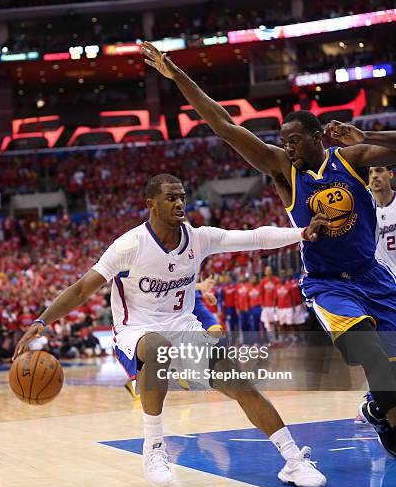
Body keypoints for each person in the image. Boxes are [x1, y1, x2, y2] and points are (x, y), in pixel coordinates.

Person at [142, 41, 396, 456]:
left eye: (295, 141)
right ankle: (386, 410)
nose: (289, 148)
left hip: (373, 275)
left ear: (317, 138)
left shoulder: (351, 158)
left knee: (389, 368)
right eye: (284, 141)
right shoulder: (282, 170)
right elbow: (225, 125)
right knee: (367, 353)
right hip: (329, 283)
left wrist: (366, 134)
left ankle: (375, 405)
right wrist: (177, 76)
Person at [14, 173, 328, 487]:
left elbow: (254, 238)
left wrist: (301, 233)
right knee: (156, 347)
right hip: (136, 330)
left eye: (182, 197)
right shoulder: (130, 245)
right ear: (151, 203)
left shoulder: (198, 238)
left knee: (241, 385)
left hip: (184, 327)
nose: (179, 203)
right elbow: (82, 288)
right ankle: (153, 447)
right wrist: (41, 321)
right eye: (171, 197)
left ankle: (293, 461)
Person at [355, 166, 396, 422]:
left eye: (379, 171)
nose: (375, 177)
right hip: (381, 289)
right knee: (380, 349)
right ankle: (375, 400)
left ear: (390, 174)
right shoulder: (365, 212)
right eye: (370, 174)